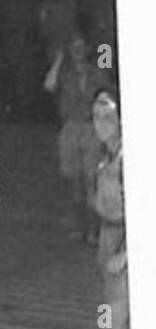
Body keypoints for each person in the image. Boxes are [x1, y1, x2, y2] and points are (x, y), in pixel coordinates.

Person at [82, 90, 132, 329]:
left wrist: (125, 255)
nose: (101, 124)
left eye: (108, 117)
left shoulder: (128, 158)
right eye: (97, 117)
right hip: (107, 237)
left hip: (122, 243)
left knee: (116, 322)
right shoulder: (104, 153)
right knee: (114, 319)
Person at [44, 31, 111, 240]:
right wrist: (59, 59)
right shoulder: (66, 73)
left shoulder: (97, 70)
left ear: (88, 50)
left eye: (82, 48)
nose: (78, 52)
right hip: (71, 127)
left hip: (91, 127)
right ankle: (78, 225)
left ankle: (93, 228)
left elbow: (108, 88)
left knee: (92, 178)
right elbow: (49, 85)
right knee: (74, 179)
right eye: (74, 48)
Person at [37, 0, 79, 67]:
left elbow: (74, 23)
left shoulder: (71, 2)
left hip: (69, 42)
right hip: (54, 42)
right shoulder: (47, 3)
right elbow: (42, 23)